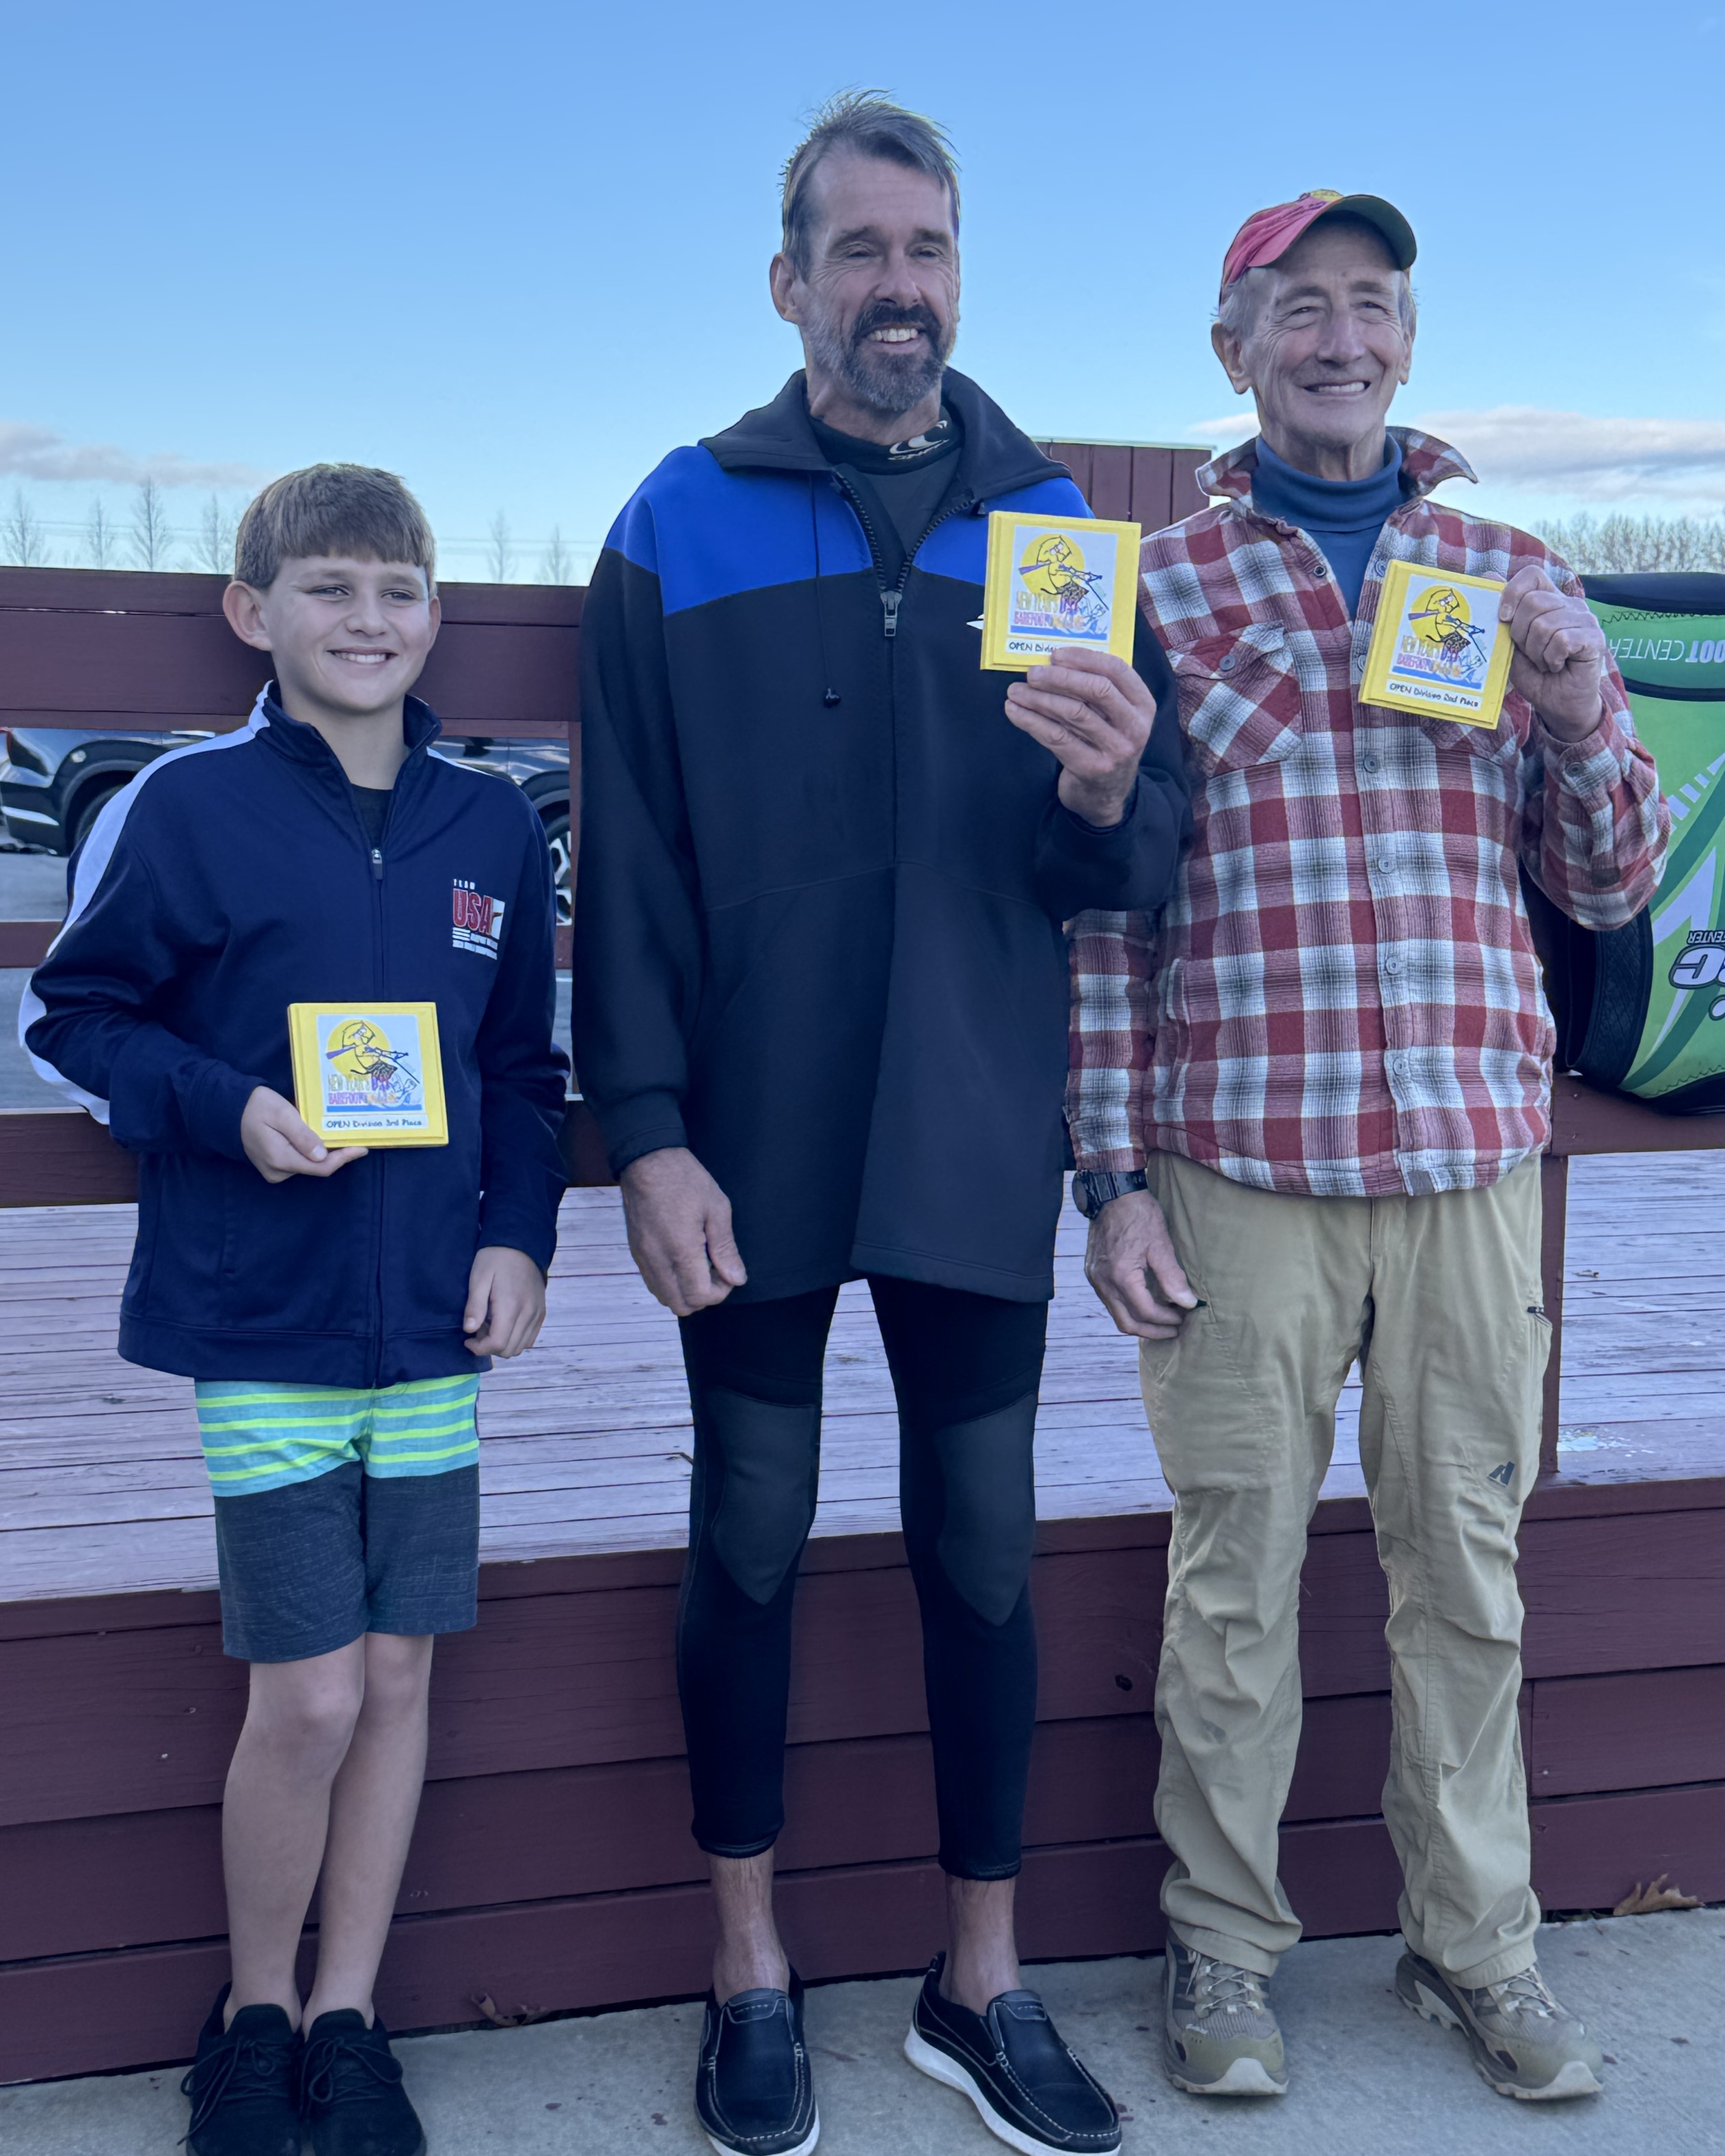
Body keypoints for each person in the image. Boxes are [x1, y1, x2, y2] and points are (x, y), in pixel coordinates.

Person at [574, 93, 1189, 2156]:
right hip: (743, 1135)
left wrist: (1105, 789)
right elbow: (625, 858)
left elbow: (1133, 856)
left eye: (926, 249)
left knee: (982, 1546)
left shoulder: (1056, 528)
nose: (896, 286)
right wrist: (643, 1128)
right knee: (748, 1529)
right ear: (788, 283)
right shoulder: (678, 518)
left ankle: (977, 1980)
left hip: (969, 1120)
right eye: (858, 250)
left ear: (958, 276)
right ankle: (746, 1965)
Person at [1068, 191, 1669, 2103]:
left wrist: (1573, 709)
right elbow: (1102, 915)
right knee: (1229, 1581)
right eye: (1297, 309)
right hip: (1236, 1162)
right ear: (1230, 350)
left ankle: (1475, 1947)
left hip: (1471, 1162)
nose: (1338, 339)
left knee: (1466, 1577)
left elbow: (1610, 880)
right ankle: (1224, 1948)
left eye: (1369, 304)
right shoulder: (1155, 587)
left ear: (1406, 337)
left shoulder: (1508, 565)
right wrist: (1109, 1176)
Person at [23, 465, 568, 2156]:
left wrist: (519, 1239)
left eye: (399, 590)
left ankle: (349, 2017)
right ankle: (251, 2014)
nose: (369, 620)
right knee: (312, 1695)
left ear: (436, 614)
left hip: (433, 1330)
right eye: (329, 588)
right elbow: (73, 1017)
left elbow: (522, 1072)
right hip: (259, 1320)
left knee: (397, 1681)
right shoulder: (186, 807)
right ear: (251, 613)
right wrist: (229, 1108)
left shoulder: (491, 827)